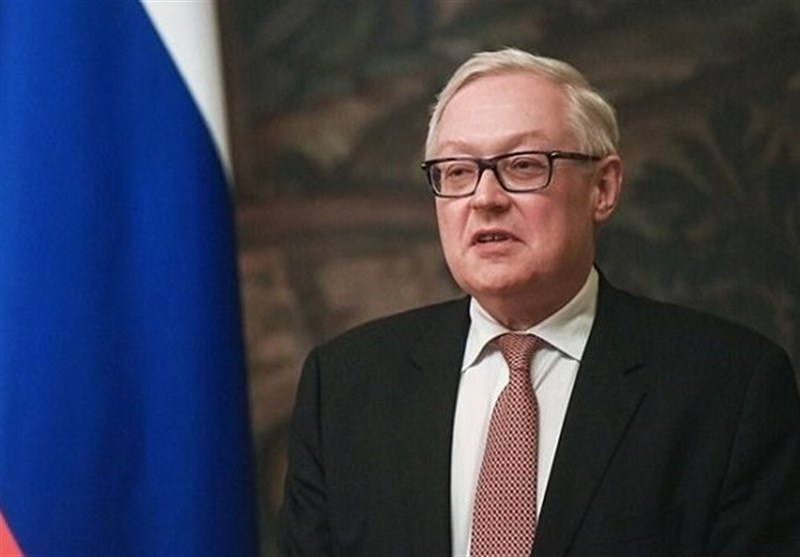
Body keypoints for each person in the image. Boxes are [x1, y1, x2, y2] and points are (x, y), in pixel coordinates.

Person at [277, 47, 800, 556]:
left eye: (524, 165)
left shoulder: (730, 388)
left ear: (603, 188)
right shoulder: (344, 386)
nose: (485, 198)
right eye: (457, 171)